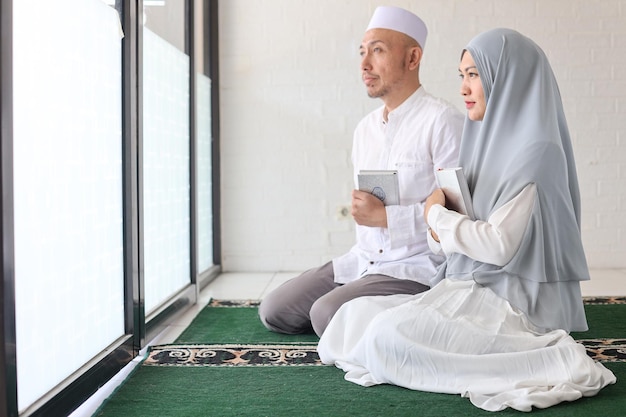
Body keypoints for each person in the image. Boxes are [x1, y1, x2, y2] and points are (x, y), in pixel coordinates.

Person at [317, 28, 617, 411]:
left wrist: (437, 215)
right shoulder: (485, 144)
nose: (464, 87)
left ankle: (548, 358)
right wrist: (436, 225)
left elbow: (498, 245)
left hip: (514, 304)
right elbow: (452, 240)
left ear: (507, 77)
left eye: (474, 74)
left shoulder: (536, 152)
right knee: (352, 318)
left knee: (385, 337)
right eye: (462, 75)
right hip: (473, 284)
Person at [259, 6, 464, 337]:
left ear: (413, 59)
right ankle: (359, 314)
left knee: (325, 314)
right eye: (362, 52)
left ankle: (399, 312)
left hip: (417, 267)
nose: (364, 64)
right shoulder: (365, 129)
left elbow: (458, 214)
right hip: (364, 260)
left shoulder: (442, 121)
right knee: (275, 311)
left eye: (378, 50)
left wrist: (386, 218)